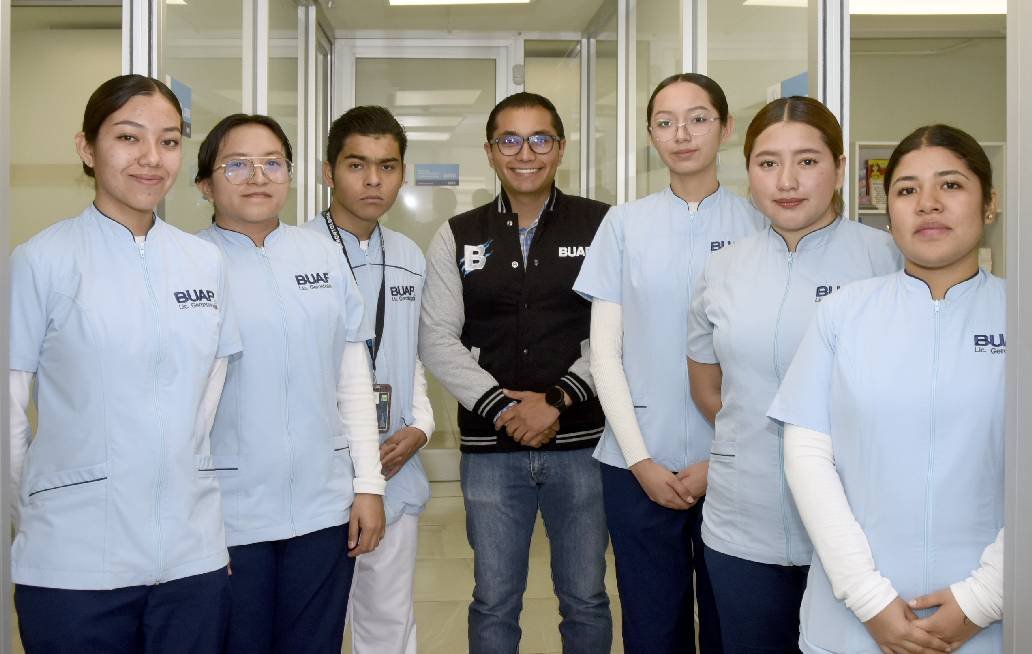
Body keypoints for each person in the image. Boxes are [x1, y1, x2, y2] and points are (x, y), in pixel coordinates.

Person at [9, 74, 240, 653]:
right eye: (128, 137)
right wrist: (35, 511)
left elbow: (206, 401)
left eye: (169, 140)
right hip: (74, 561)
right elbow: (9, 412)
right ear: (87, 148)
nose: (151, 158)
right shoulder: (42, 260)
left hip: (191, 556)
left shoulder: (204, 262)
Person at [768, 124, 1005, 653]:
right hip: (854, 620)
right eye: (906, 189)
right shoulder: (842, 314)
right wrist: (868, 598)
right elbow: (807, 457)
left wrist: (985, 599)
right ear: (887, 210)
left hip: (996, 623)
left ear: (989, 204)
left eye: (950, 185)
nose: (927, 204)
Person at [685, 96, 901, 653]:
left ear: (838, 167)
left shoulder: (886, 260)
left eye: (807, 161)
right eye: (767, 162)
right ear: (748, 171)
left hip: (859, 532)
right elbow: (708, 388)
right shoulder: (723, 268)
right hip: (742, 522)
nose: (786, 181)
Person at [573, 72, 766, 654]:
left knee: (735, 626)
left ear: (725, 129)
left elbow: (767, 359)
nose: (681, 134)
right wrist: (639, 460)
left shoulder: (759, 223)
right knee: (653, 631)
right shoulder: (623, 224)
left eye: (698, 119)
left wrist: (719, 458)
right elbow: (604, 354)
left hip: (735, 465)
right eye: (665, 122)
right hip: (637, 462)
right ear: (651, 135)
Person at [419, 92, 612, 654]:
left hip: (583, 447)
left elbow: (615, 332)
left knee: (585, 598)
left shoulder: (602, 225)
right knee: (493, 601)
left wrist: (555, 401)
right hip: (490, 453)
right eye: (510, 140)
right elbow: (437, 337)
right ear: (490, 151)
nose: (525, 153)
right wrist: (505, 409)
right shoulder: (457, 234)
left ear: (560, 148)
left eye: (539, 139)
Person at [194, 113, 386, 654]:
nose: (258, 177)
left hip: (324, 507)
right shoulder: (188, 263)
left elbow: (353, 381)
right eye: (237, 164)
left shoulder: (322, 254)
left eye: (273, 163)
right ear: (205, 184)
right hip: (227, 512)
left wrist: (369, 485)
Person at [304, 105, 434, 654]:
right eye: (357, 165)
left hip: (392, 464)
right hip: (317, 473)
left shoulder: (408, 255)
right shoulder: (296, 252)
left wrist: (422, 427)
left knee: (388, 621)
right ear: (328, 172)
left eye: (388, 166)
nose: (373, 180)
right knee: (311, 624)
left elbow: (413, 358)